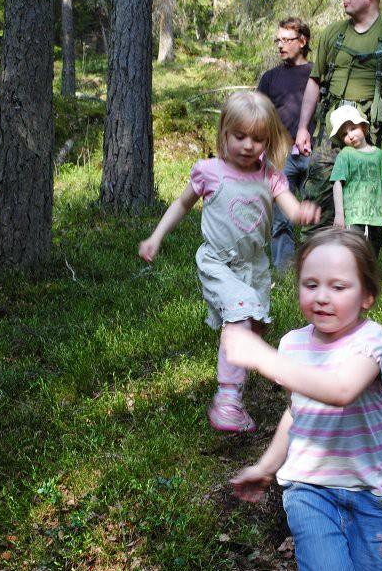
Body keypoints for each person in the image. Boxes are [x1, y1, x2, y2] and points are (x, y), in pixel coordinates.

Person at [138, 91, 321, 433]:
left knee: (254, 328)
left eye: (258, 139)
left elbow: (291, 209)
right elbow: (181, 205)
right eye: (240, 137)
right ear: (224, 133)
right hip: (218, 264)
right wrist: (155, 237)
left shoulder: (270, 175)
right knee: (239, 316)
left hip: (255, 268)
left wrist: (304, 213)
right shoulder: (209, 172)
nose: (249, 145)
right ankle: (228, 400)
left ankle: (237, 387)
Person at [223, 229, 382, 571]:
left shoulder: (374, 341)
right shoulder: (293, 345)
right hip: (308, 490)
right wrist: (266, 467)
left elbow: (341, 390)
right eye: (311, 284)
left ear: (367, 296)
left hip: (370, 496)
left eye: (338, 287)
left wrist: (264, 359)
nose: (322, 297)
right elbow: (296, 413)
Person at [293, 0, 382, 238]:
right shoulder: (333, 34)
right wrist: (304, 128)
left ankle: (359, 271)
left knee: (368, 207)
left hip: (371, 134)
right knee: (317, 198)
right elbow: (315, 82)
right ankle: (316, 270)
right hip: (331, 133)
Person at [258, 17, 314, 271]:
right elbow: (257, 116)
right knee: (281, 221)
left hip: (314, 155)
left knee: (316, 218)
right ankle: (283, 275)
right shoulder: (270, 78)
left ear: (302, 42)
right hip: (280, 158)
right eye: (277, 40)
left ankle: (316, 271)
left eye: (286, 40)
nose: (280, 45)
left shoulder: (317, 75)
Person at [328, 104, 382, 256]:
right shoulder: (345, 154)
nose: (350, 135)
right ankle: (351, 278)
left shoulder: (378, 154)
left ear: (363, 127)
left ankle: (368, 279)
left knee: (372, 253)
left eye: (353, 128)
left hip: (375, 216)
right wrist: (339, 214)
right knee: (354, 253)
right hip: (353, 216)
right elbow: (337, 183)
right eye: (344, 134)